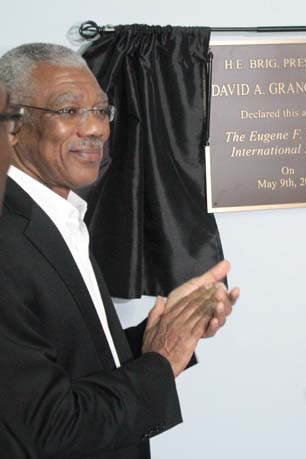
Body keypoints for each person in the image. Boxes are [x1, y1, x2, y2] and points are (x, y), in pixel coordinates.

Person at [0, 43, 239, 458]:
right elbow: (51, 428)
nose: (96, 129)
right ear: (12, 127)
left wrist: (166, 332)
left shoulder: (57, 217)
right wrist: (161, 359)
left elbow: (76, 360)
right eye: (69, 111)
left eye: (100, 111)